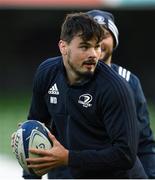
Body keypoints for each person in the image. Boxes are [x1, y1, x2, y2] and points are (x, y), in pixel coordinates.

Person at [12, 12, 144, 179]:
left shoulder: (115, 88)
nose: (94, 54)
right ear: (63, 47)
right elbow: (37, 123)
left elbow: (125, 155)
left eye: (96, 46)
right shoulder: (47, 73)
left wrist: (68, 158)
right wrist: (30, 171)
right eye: (84, 46)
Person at [87, 9, 155, 178]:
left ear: (114, 40)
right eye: (91, 35)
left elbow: (144, 142)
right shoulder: (60, 79)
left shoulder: (130, 82)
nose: (98, 42)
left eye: (104, 36)